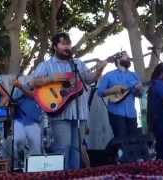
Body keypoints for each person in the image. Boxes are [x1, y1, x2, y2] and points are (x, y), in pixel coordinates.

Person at [31, 32, 106, 170]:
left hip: (80, 113)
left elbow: (89, 79)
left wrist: (100, 69)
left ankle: (75, 176)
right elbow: (32, 82)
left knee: (77, 148)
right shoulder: (47, 65)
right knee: (62, 147)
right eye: (63, 44)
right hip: (59, 113)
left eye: (68, 44)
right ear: (55, 46)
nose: (67, 47)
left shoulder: (78, 64)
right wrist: (51, 79)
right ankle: (63, 175)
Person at [97, 51, 143, 139]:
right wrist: (112, 90)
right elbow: (100, 92)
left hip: (131, 113)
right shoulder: (109, 75)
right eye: (126, 57)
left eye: (129, 58)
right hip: (116, 113)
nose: (129, 59)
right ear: (118, 60)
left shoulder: (134, 75)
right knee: (121, 141)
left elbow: (139, 95)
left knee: (134, 141)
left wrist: (139, 89)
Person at [11, 75, 42, 169]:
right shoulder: (17, 92)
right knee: (15, 141)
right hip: (19, 121)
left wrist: (22, 86)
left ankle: (35, 169)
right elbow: (12, 100)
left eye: (28, 83)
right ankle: (16, 167)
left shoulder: (38, 91)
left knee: (35, 147)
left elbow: (34, 96)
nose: (27, 84)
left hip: (33, 122)